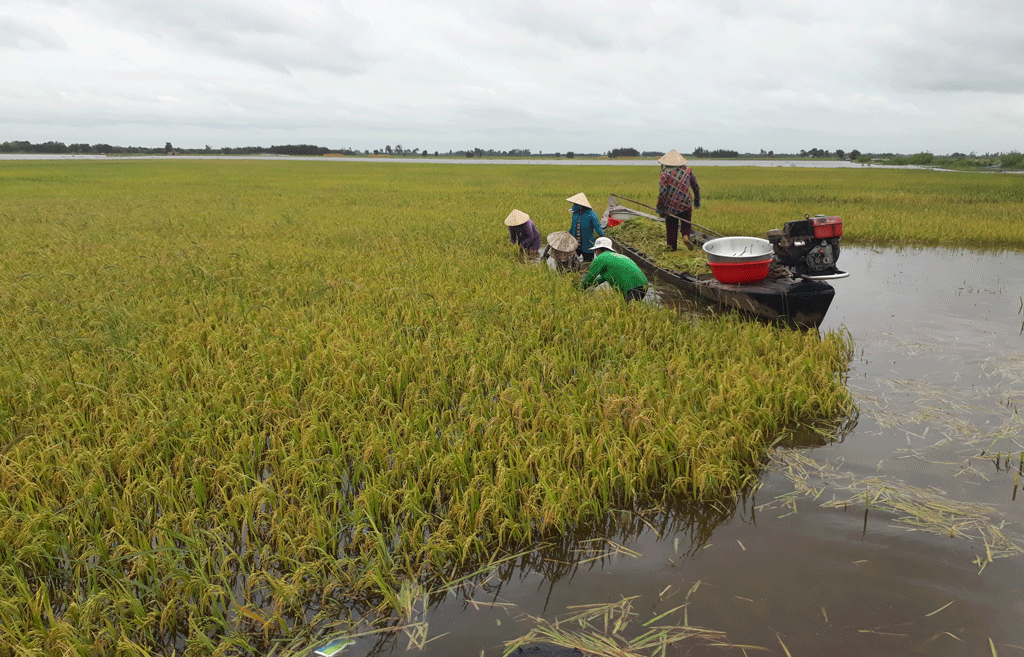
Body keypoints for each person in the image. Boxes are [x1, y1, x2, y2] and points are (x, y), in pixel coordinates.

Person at [655, 150, 701, 251]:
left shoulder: (665, 174)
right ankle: (685, 236)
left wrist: (660, 208)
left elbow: (662, 193)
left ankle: (672, 248)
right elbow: (696, 186)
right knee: (686, 223)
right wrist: (697, 199)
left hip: (671, 207)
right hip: (686, 204)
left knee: (671, 228)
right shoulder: (688, 170)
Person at [580, 237, 648, 302]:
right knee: (630, 308)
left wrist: (580, 289)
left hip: (631, 287)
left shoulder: (600, 258)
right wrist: (592, 285)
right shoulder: (618, 256)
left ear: (598, 250)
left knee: (627, 311)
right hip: (644, 284)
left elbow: (590, 277)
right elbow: (602, 279)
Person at [566, 192, 604, 263]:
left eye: (575, 204)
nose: (573, 206)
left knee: (588, 263)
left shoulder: (591, 214)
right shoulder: (575, 214)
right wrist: (567, 234)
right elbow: (573, 227)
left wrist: (602, 235)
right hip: (575, 244)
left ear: (581, 205)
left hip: (587, 244)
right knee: (572, 262)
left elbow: (597, 227)